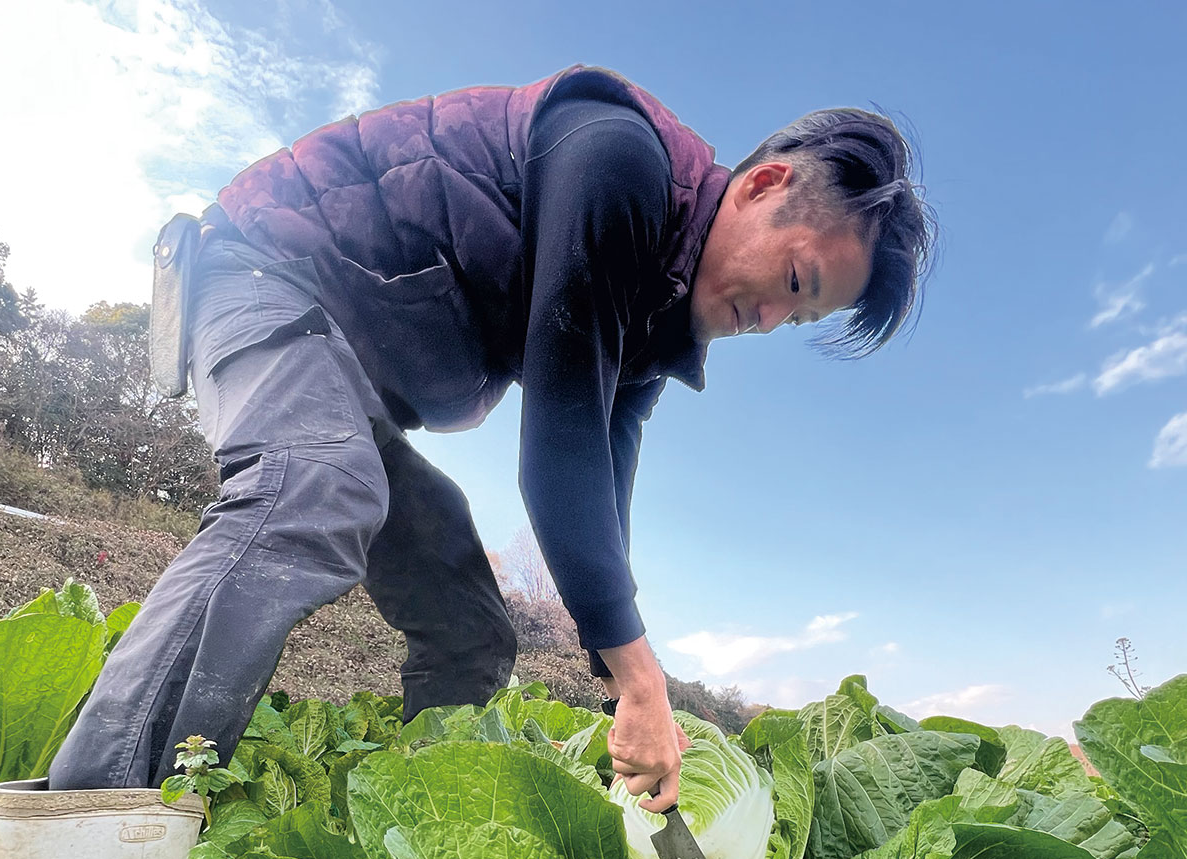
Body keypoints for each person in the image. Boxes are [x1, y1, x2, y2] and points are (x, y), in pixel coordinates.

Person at [46, 64, 936, 814]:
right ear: (764, 186)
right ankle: (94, 821)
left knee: (471, 626)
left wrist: (620, 663)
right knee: (314, 488)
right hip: (263, 272)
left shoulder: (653, 319)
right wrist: (642, 681)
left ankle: (411, 822)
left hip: (347, 381)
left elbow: (601, 491)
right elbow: (558, 444)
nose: (770, 317)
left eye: (798, 317)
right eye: (791, 278)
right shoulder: (618, 160)